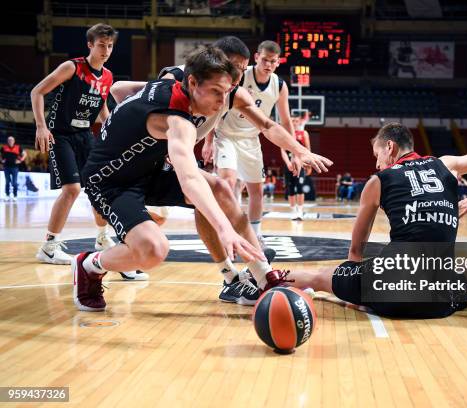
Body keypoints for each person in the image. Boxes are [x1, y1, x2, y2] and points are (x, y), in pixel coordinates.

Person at [73, 46, 305, 312]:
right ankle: (90, 265)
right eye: (216, 92)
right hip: (110, 181)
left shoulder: (179, 88)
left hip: (149, 169)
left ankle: (263, 276)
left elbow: (120, 90)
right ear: (192, 82)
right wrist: (223, 228)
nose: (222, 101)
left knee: (219, 188)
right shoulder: (176, 117)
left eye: (226, 92)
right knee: (153, 250)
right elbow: (189, 180)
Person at [287, 123, 467, 318]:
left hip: (391, 292)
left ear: (389, 147)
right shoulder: (445, 164)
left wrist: (354, 289)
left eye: (376, 155)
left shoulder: (378, 181)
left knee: (319, 277)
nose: (378, 164)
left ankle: (259, 280)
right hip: (440, 302)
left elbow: (355, 252)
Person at [30, 24, 122, 268]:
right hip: (60, 135)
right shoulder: (72, 67)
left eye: (110, 46)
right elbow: (37, 92)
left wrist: (115, 130)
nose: (106, 50)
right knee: (72, 189)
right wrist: (41, 126)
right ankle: (49, 247)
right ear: (90, 45)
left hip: (85, 136)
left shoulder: (109, 76)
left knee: (98, 185)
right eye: (101, 45)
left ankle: (102, 238)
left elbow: (102, 109)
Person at [209, 41, 324, 235]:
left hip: (252, 138)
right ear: (256, 58)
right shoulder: (241, 75)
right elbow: (216, 107)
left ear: (278, 62)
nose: (268, 65)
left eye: (272, 61)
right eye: (264, 60)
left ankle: (256, 235)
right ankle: (225, 230)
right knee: (228, 182)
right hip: (226, 134)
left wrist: (295, 152)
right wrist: (207, 141)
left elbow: (286, 121)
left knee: (257, 191)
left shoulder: (279, 85)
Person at [282, 115, 311, 220]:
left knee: (300, 186)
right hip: (289, 165)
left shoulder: (304, 134)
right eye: (292, 120)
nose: (294, 122)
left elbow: (307, 150)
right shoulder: (284, 134)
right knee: (290, 188)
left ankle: (300, 211)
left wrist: (308, 164)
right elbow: (283, 151)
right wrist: (287, 163)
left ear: (299, 122)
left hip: (301, 165)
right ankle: (293, 211)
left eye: (296, 121)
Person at [1, 136, 26, 201]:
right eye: (9, 140)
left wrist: (20, 160)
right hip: (6, 167)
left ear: (14, 141)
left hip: (15, 168)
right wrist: (1, 160)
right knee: (7, 182)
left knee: (14, 182)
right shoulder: (4, 147)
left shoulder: (18, 147)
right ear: (7, 141)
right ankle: (7, 195)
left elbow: (24, 154)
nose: (10, 141)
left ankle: (15, 195)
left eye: (12, 140)